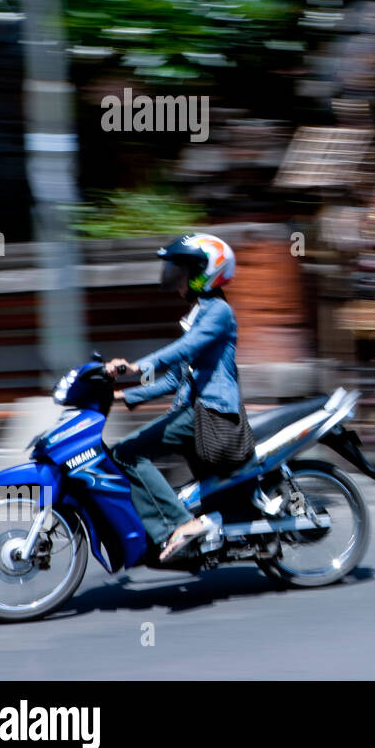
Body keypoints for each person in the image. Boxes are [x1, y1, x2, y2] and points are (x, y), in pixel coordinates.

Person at [103, 233, 247, 562]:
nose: (176, 277)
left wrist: (135, 367)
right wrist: (122, 395)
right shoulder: (201, 314)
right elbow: (173, 377)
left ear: (205, 272)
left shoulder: (218, 312)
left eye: (182, 270)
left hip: (211, 414)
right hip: (194, 412)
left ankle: (177, 525)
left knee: (126, 454)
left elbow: (183, 350)